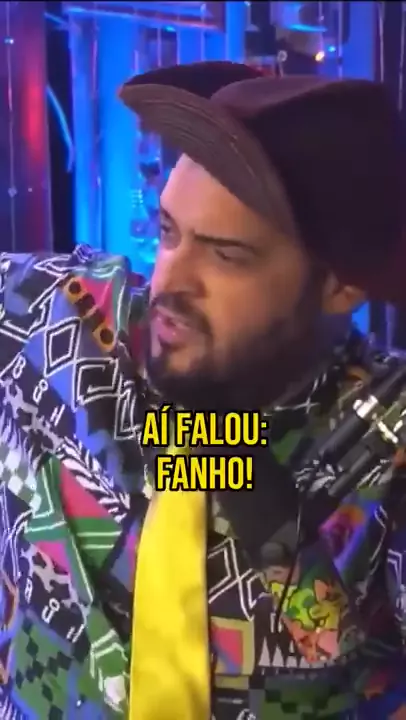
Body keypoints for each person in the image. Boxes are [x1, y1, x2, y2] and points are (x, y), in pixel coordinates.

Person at [1, 61, 406, 720]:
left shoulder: (387, 443)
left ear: (341, 285)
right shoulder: (63, 319)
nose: (170, 282)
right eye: (168, 233)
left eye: (225, 254)